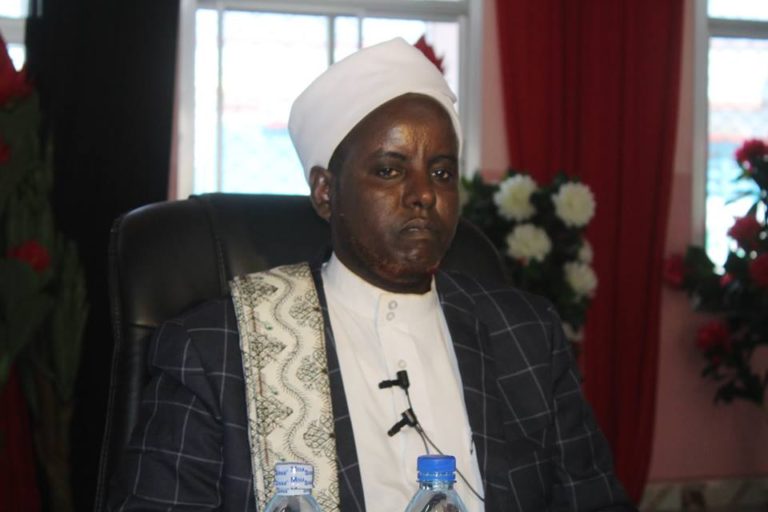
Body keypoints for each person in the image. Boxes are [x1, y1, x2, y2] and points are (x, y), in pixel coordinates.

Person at [108, 38, 635, 512]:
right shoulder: (218, 349)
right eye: (389, 169)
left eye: (441, 172)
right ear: (325, 191)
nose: (423, 193)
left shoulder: (526, 335)